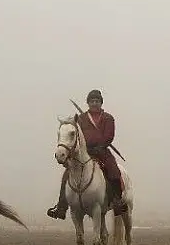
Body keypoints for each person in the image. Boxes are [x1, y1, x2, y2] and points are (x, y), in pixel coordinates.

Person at [47, 89, 127, 219]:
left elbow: (109, 136)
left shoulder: (108, 118)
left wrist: (100, 146)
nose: (94, 103)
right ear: (88, 103)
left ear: (101, 103)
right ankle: (61, 207)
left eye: (97, 101)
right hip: (85, 152)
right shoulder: (82, 119)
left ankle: (117, 201)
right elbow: (76, 136)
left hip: (102, 151)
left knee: (114, 171)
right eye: (92, 101)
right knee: (67, 174)